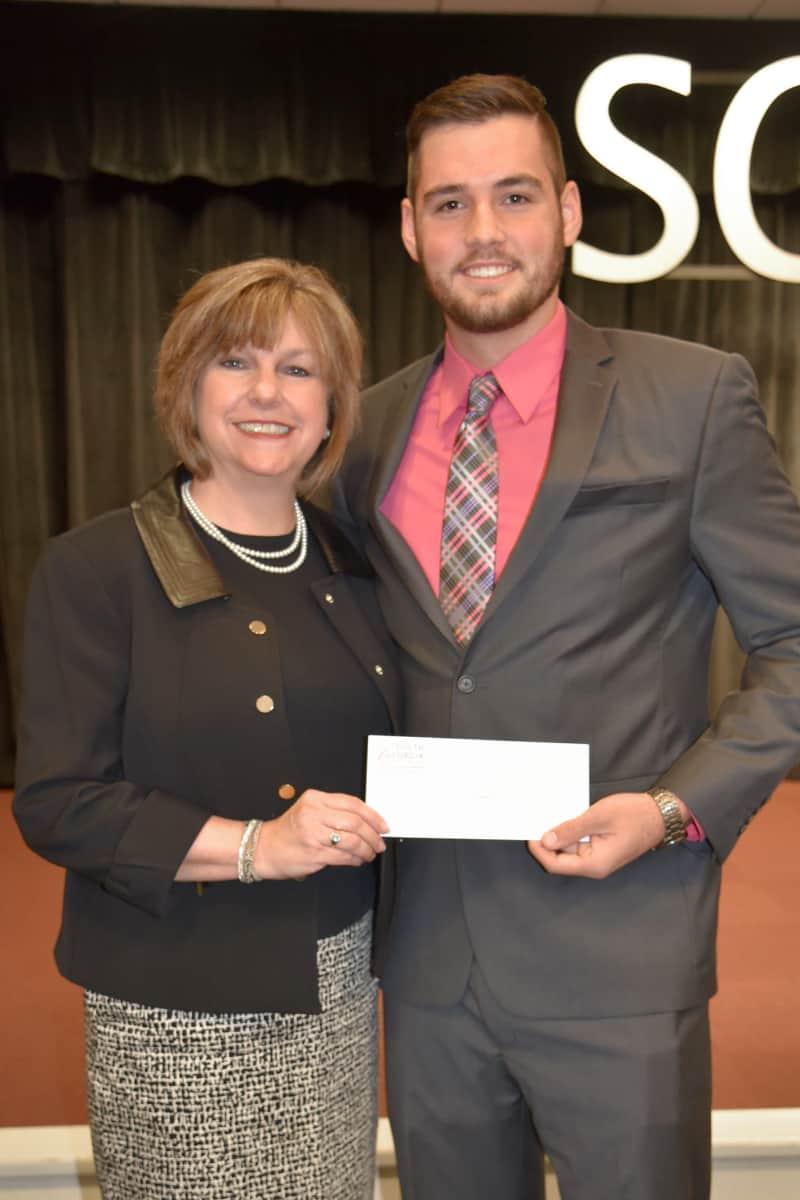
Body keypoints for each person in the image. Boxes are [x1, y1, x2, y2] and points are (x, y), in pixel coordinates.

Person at [333, 74, 800, 1200]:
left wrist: (673, 808)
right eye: (449, 204)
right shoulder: (362, 429)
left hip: (618, 948)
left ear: (569, 210)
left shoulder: (692, 398)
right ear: (410, 228)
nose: (483, 231)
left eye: (514, 195)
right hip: (428, 961)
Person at [14, 257, 400, 1200]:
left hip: (338, 990)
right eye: (237, 362)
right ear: (187, 384)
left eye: (299, 369)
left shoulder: (360, 566)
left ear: (332, 406)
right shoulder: (96, 568)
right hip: (176, 1004)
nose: (269, 392)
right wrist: (257, 846)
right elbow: (59, 803)